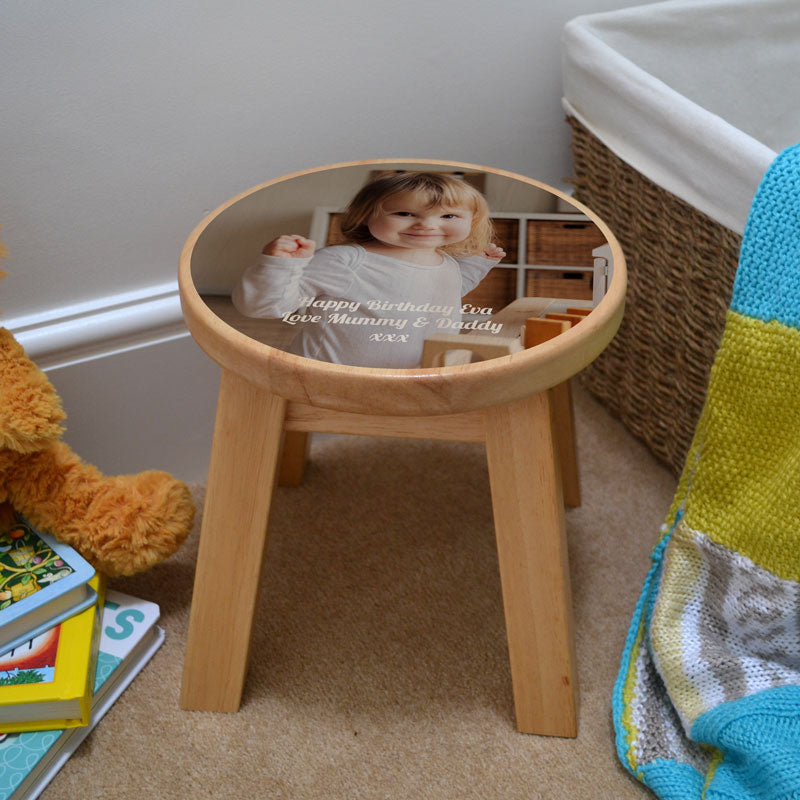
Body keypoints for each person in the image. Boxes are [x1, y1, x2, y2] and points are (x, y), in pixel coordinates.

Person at [232, 171, 506, 368]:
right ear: (366, 216)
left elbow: (444, 295)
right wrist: (281, 266)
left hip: (412, 377)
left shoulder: (446, 264)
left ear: (472, 221)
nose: (427, 225)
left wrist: (475, 265)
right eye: (404, 213)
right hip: (327, 376)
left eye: (449, 216)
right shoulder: (346, 261)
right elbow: (264, 307)